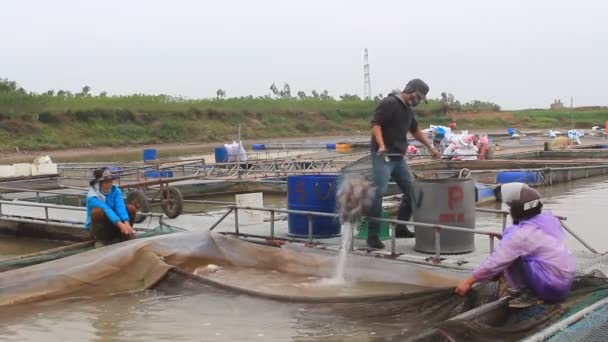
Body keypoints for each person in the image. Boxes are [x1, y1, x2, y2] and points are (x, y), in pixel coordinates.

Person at [455, 182, 576, 308]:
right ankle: (528, 288)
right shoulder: (549, 222)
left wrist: (469, 281)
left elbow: (495, 262)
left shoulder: (519, 236)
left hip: (550, 288)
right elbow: (534, 242)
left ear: (516, 211)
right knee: (514, 253)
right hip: (564, 281)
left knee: (510, 258)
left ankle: (525, 293)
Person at [368, 78, 441, 249]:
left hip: (398, 158)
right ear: (410, 89)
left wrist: (430, 146)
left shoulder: (408, 110)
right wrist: (381, 145)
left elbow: (415, 130)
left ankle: (400, 227)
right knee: (378, 193)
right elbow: (376, 125)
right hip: (383, 156)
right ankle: (372, 236)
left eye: (421, 99)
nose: (418, 101)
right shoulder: (390, 103)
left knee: (411, 191)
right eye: (418, 96)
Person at [85, 167, 136, 245]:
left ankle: (124, 233)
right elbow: (106, 209)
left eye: (110, 182)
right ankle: (99, 239)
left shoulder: (116, 191)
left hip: (114, 223)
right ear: (99, 183)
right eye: (105, 182)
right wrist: (120, 224)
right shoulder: (92, 197)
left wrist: (126, 222)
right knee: (97, 212)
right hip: (100, 226)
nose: (108, 184)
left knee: (131, 208)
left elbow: (120, 206)